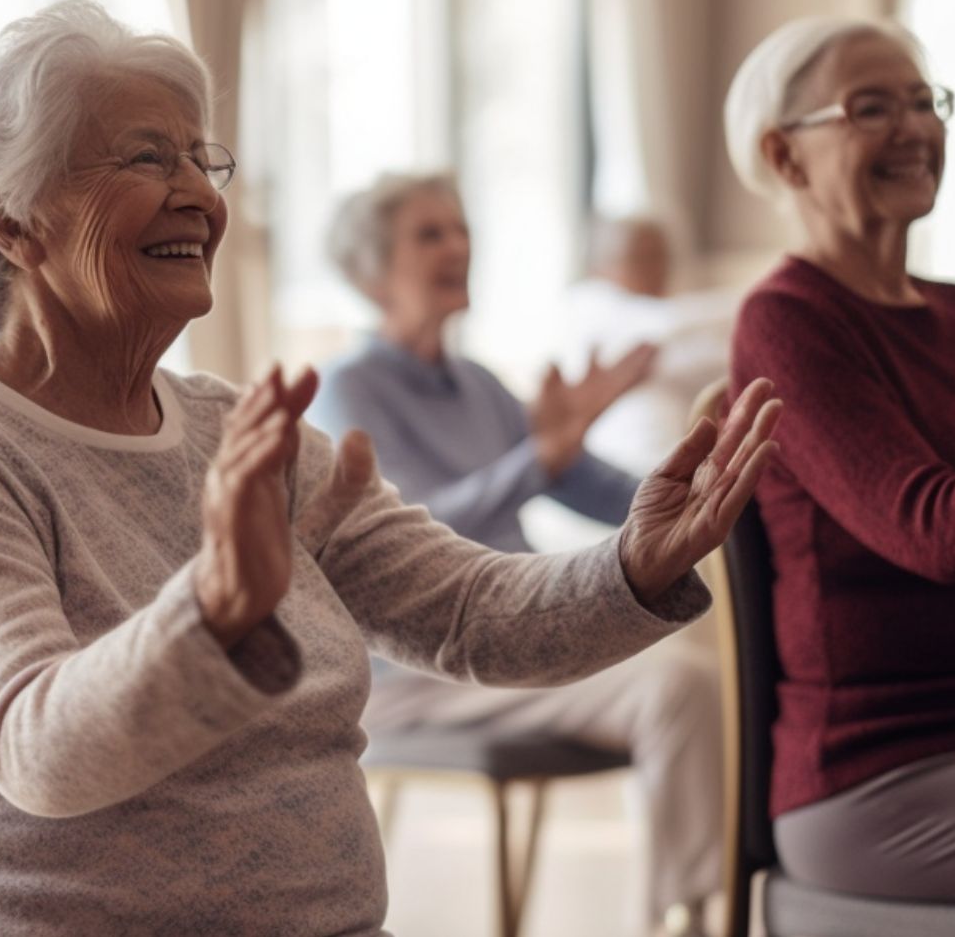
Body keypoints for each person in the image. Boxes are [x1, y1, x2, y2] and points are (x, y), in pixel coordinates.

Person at [0, 0, 780, 937]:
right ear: (12, 224)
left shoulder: (242, 428)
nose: (200, 194)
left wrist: (637, 562)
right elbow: (39, 751)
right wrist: (214, 610)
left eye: (199, 159)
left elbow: (472, 617)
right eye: (146, 158)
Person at [310, 174, 724, 937]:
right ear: (371, 270)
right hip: (418, 670)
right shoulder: (347, 390)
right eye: (429, 234)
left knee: (689, 681)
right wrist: (537, 456)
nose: (458, 246)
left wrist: (706, 484)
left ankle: (685, 913)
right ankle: (686, 921)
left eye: (461, 228)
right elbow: (408, 538)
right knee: (675, 686)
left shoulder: (480, 386)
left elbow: (601, 491)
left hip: (516, 641)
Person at [724, 16, 955, 913]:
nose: (915, 129)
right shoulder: (787, 320)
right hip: (887, 772)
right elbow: (932, 527)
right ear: (785, 157)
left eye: (923, 102)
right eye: (871, 108)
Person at [564, 216, 738, 478]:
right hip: (617, 476)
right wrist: (759, 305)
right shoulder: (588, 305)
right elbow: (667, 328)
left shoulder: (679, 333)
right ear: (600, 266)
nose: (656, 269)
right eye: (639, 258)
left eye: (660, 257)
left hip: (670, 474)